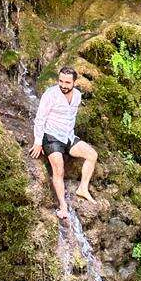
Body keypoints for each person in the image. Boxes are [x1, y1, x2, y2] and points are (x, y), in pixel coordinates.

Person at [31, 66, 98, 220]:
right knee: (59, 170)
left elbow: (71, 117)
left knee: (92, 155)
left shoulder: (77, 96)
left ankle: (82, 188)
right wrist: (38, 142)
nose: (63, 85)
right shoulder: (50, 95)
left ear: (74, 82)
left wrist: (71, 138)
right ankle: (63, 206)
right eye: (60, 81)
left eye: (67, 82)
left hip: (68, 136)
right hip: (51, 136)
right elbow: (40, 119)